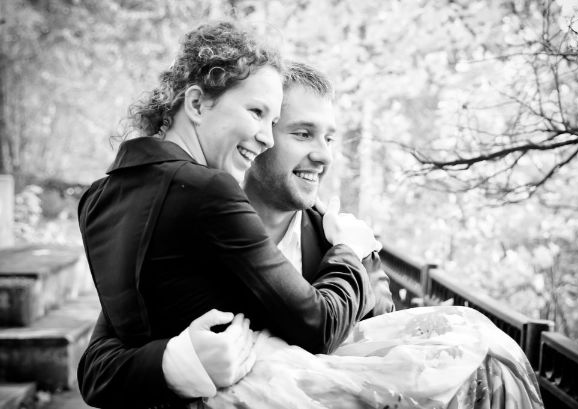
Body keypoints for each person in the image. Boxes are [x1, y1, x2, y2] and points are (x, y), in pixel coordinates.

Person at [79, 59, 544, 409]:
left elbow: (393, 368)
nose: (323, 156)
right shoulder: (191, 221)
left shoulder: (348, 245)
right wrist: (176, 360)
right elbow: (97, 368)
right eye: (302, 134)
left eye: (330, 138)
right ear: (259, 134)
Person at [78, 23, 380, 409]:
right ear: (196, 104)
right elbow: (96, 368)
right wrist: (347, 251)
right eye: (258, 114)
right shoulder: (208, 195)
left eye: (330, 138)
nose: (265, 137)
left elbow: (377, 343)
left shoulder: (98, 197)